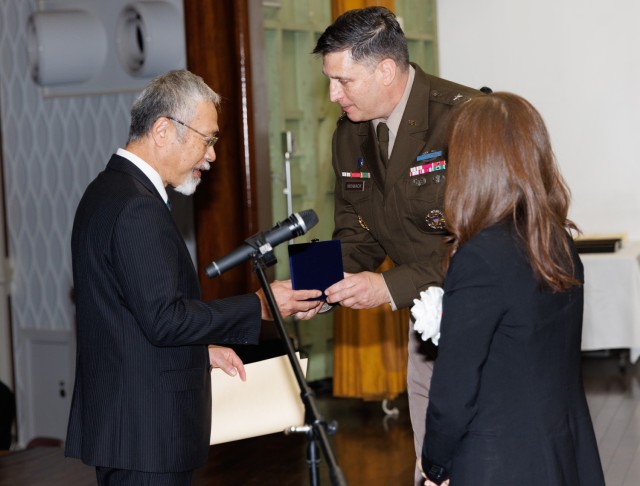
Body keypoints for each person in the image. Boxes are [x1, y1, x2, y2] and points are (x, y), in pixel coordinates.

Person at [64, 70, 322, 485]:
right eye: (208, 139)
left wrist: (200, 350)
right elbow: (164, 318)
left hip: (130, 428)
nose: (212, 156)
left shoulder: (106, 190)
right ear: (164, 129)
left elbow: (133, 315)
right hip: (148, 435)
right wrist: (259, 305)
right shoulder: (137, 207)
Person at [312, 7, 482, 483]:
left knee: (484, 461)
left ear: (385, 70)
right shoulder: (349, 135)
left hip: (484, 317)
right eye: (329, 80)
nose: (332, 94)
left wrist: (387, 287)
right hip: (425, 320)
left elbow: (481, 244)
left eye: (343, 80)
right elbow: (356, 233)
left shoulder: (465, 118)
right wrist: (311, 286)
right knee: (432, 466)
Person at [421, 92, 605, 486]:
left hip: (500, 462)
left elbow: (454, 394)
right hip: (561, 451)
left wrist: (435, 463)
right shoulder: (555, 240)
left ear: (471, 164)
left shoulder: (481, 257)